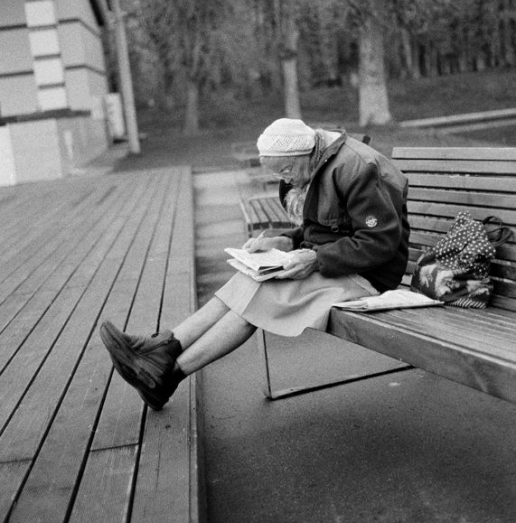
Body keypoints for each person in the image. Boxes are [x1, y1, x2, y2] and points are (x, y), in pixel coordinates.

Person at [100, 118, 410, 411]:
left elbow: (379, 243)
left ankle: (166, 376)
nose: (285, 180)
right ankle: (162, 349)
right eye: (278, 175)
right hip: (339, 264)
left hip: (368, 275)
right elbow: (326, 229)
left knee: (261, 299)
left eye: (286, 171)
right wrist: (284, 241)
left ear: (306, 152)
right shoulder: (316, 160)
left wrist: (317, 258)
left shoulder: (357, 167)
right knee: (248, 278)